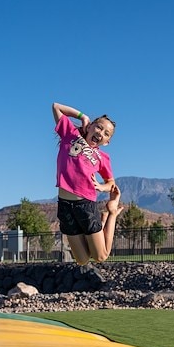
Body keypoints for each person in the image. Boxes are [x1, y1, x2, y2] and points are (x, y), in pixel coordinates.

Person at [52, 102, 122, 265]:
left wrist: (100, 186)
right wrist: (83, 116)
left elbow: (110, 182)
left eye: (106, 133)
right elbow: (56, 107)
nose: (101, 133)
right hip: (64, 206)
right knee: (82, 260)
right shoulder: (70, 134)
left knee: (100, 257)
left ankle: (110, 214)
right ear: (90, 127)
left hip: (85, 206)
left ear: (106, 142)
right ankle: (102, 221)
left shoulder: (102, 158)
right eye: (98, 127)